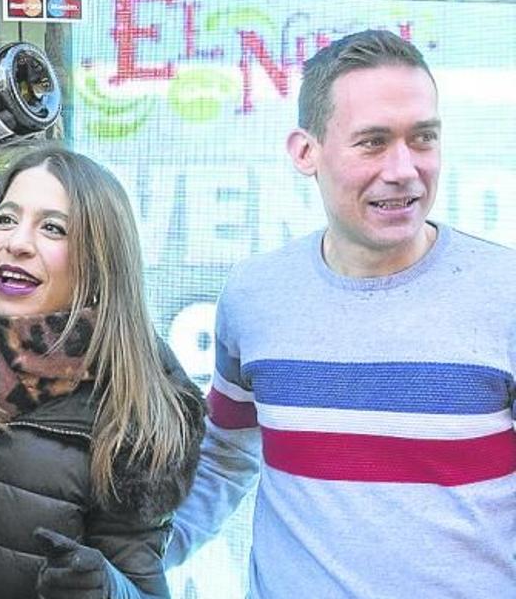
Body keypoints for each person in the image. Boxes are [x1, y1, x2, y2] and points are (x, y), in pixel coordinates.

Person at [165, 29, 516, 597]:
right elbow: (226, 455)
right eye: (373, 142)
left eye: (422, 138)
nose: (404, 168)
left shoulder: (505, 296)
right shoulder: (255, 296)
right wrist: (136, 558)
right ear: (306, 152)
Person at [0, 145, 205, 599]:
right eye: (6, 219)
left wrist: (106, 588)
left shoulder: (132, 410)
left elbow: (143, 590)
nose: (17, 243)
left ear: (99, 263)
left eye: (53, 228)